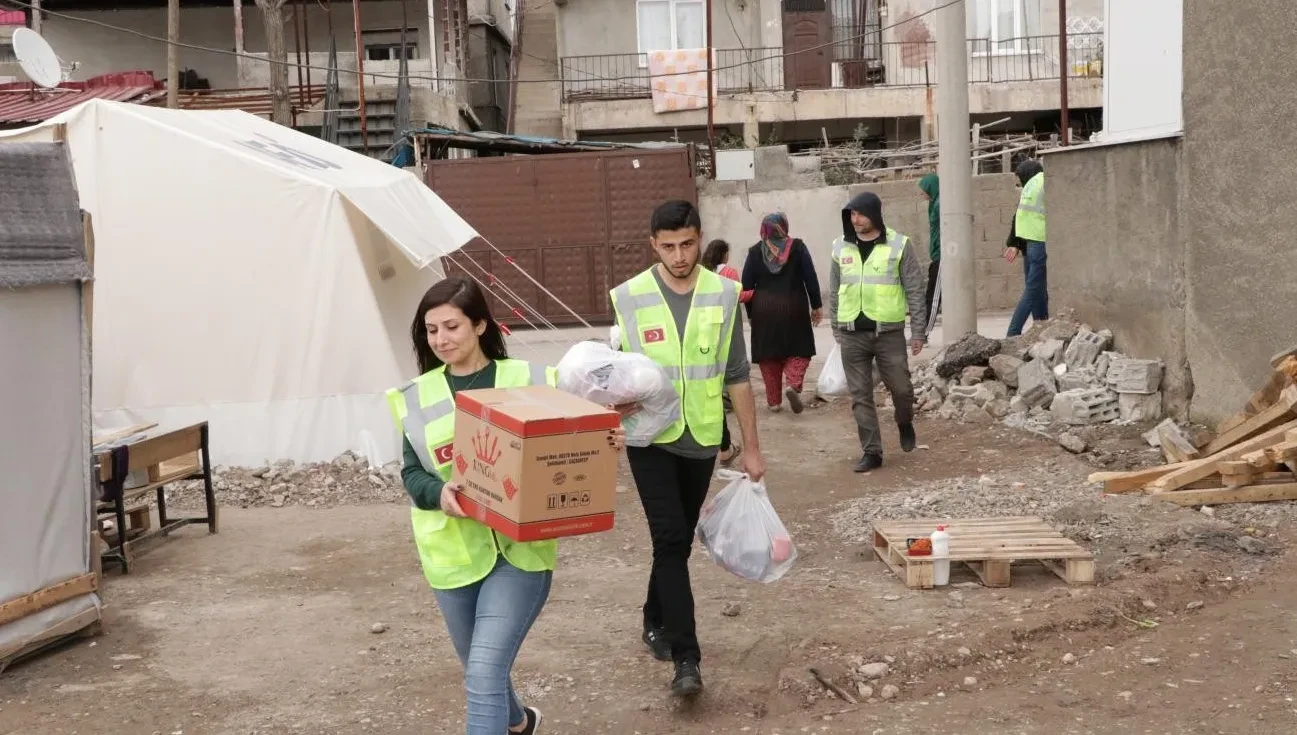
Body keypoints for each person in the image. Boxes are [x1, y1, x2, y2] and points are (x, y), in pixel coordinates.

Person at [385, 276, 626, 735]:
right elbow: (411, 475)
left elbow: (579, 436)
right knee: (481, 667)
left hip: (520, 554)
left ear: (479, 325)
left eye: (451, 326)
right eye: (431, 330)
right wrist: (439, 494)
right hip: (451, 557)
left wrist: (609, 438)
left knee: (482, 672)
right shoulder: (416, 397)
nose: (441, 339)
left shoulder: (532, 380)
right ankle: (520, 723)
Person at [610, 200, 766, 698]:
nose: (679, 255)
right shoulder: (628, 297)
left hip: (701, 438)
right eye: (669, 246)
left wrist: (752, 449)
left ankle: (654, 616)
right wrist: (609, 420)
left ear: (700, 238)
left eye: (688, 244)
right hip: (647, 439)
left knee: (673, 542)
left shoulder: (723, 295)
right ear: (653, 244)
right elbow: (609, 376)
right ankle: (687, 658)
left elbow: (738, 376)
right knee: (671, 539)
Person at [827, 192, 928, 473]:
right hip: (851, 334)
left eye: (859, 214)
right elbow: (834, 290)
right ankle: (872, 451)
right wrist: (836, 326)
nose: (855, 220)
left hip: (888, 333)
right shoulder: (840, 247)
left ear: (875, 214)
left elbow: (915, 290)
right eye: (851, 214)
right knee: (860, 396)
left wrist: (918, 331)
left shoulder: (899, 245)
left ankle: (904, 421)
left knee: (902, 389)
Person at [740, 213, 823, 414]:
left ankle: (774, 401)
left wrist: (751, 314)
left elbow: (746, 286)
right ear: (784, 226)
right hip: (793, 307)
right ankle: (792, 385)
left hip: (763, 309)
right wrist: (816, 305)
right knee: (799, 350)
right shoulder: (798, 247)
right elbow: (810, 277)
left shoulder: (754, 252)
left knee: (769, 358)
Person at [701, 239, 751, 466]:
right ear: (724, 254)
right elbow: (736, 296)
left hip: (707, 328)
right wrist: (754, 294)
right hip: (728, 323)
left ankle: (724, 445)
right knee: (731, 367)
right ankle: (724, 447)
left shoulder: (702, 273)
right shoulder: (729, 272)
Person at [1005, 159, 1047, 337]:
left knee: (1037, 290)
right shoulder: (1042, 182)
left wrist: (1014, 244)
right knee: (1033, 290)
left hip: (1029, 244)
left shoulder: (1030, 186)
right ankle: (1012, 334)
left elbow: (1018, 217)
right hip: (1038, 241)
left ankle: (1042, 327)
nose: (1019, 182)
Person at [918, 173, 941, 328]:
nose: (921, 192)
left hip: (941, 256)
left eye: (923, 189)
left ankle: (924, 332)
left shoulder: (940, 204)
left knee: (933, 297)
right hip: (937, 254)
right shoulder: (934, 204)